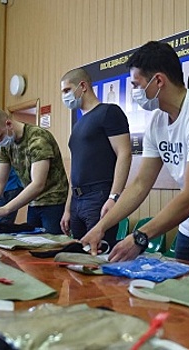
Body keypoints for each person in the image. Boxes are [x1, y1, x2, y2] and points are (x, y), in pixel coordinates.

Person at [81, 41, 189, 264]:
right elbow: (140, 184)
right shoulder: (157, 121)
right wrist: (101, 228)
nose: (135, 92)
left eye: (137, 85)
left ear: (158, 81)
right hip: (188, 226)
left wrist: (139, 237)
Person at [60, 68, 132, 249]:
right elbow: (76, 170)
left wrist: (114, 197)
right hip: (77, 199)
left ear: (82, 86)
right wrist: (68, 208)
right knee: (78, 255)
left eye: (67, 90)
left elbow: (124, 153)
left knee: (97, 255)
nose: (65, 96)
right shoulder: (78, 124)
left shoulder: (109, 112)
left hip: (98, 197)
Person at [0, 108, 69, 234]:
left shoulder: (37, 139)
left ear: (8, 124)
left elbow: (38, 184)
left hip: (54, 203)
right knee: (31, 244)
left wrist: (6, 209)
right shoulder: (5, 146)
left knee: (51, 247)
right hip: (33, 204)